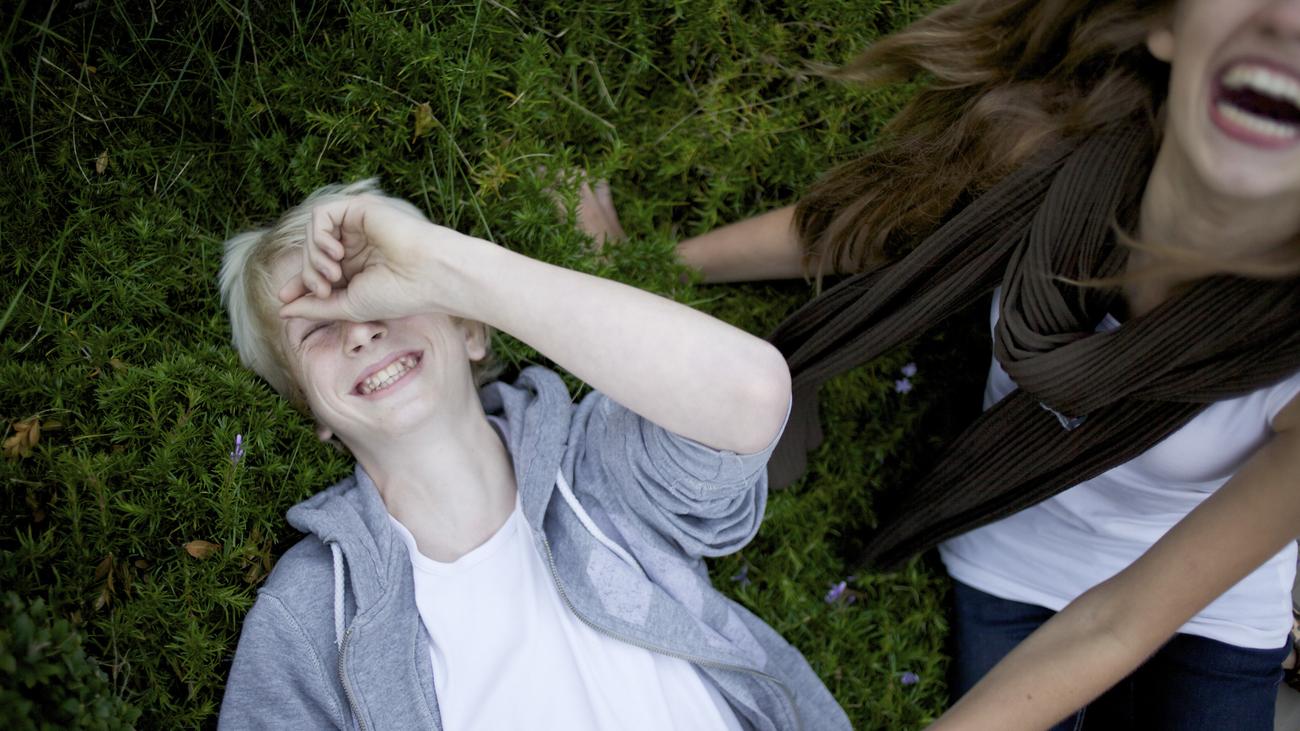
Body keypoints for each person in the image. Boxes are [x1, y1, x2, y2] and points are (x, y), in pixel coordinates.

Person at [574, 1, 1300, 729]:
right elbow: (873, 231)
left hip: (1216, 598)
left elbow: (1123, 620)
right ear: (1167, 25)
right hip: (1017, 557)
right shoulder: (1057, 166)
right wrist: (653, 266)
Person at [214, 178, 851, 730]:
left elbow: (750, 394)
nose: (361, 329)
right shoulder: (310, 614)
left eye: (384, 293)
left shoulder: (597, 464)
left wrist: (442, 263)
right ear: (312, 412)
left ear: (470, 328)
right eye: (317, 328)